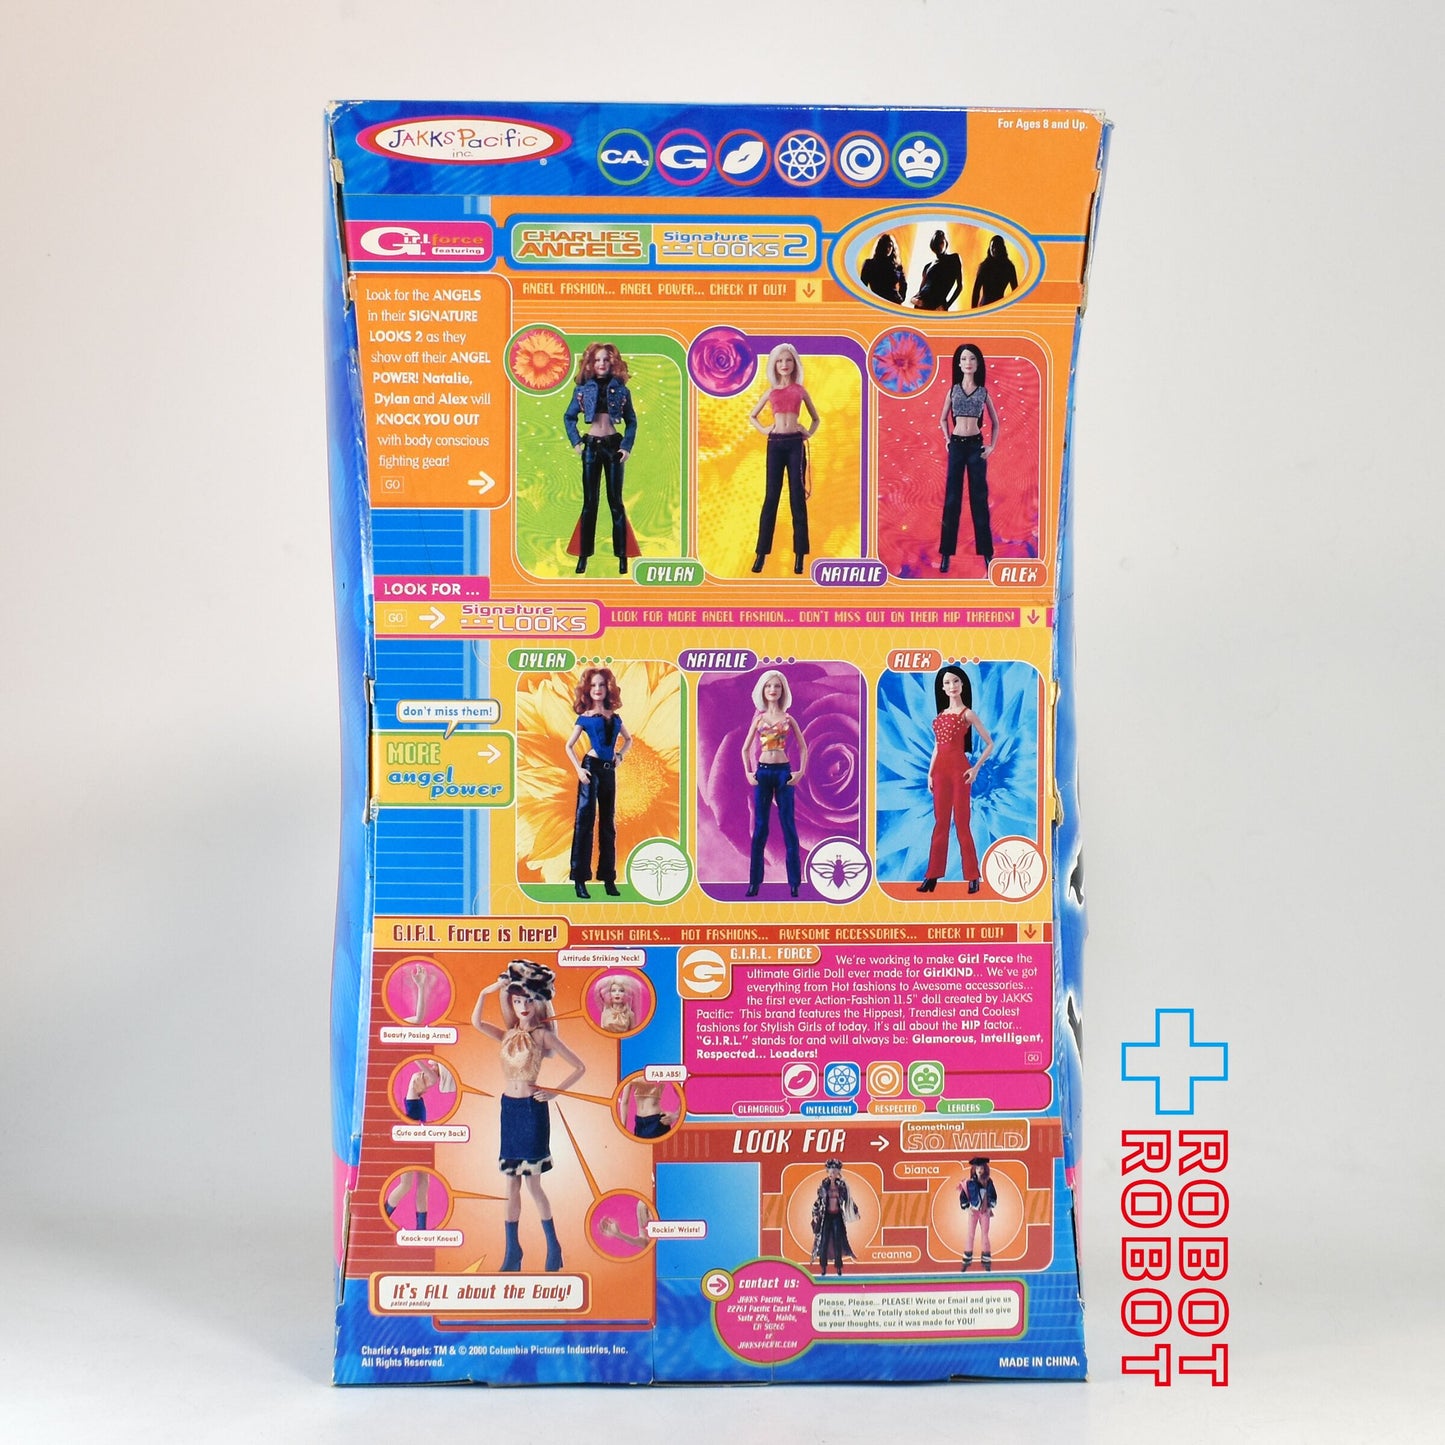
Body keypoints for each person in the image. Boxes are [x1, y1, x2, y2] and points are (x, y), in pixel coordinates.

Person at [472, 960, 586, 1272]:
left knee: (534, 1186)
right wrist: (487, 991)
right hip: (509, 1110)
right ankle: (513, 1252)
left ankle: (554, 1246)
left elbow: (580, 1067)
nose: (523, 1007)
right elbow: (477, 1023)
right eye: (517, 1001)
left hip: (533, 1111)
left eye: (528, 1001)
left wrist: (554, 1092)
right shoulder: (508, 1034)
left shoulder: (542, 1036)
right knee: (510, 1184)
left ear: (539, 1003)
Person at [562, 342, 639, 575]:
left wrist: (626, 446)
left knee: (616, 502)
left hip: (613, 447)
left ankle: (622, 556)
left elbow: (631, 421)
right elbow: (569, 417)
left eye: (606, 359)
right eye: (597, 360)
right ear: (590, 363)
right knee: (590, 503)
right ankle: (583, 556)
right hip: (591, 447)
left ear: (612, 362)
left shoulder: (622, 391)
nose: (602, 363)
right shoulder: (582, 390)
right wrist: (576, 441)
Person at [917, 665, 994, 894]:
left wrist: (976, 768)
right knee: (940, 823)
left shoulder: (967, 714)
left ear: (962, 684)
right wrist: (929, 773)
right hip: (940, 772)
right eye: (947, 683)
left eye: (956, 681)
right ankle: (932, 876)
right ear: (942, 688)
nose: (952, 686)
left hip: (960, 771)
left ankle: (972, 876)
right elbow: (936, 748)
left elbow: (990, 743)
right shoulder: (940, 716)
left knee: (962, 823)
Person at [748, 344, 819, 576]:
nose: (784, 364)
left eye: (788, 360)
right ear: (775, 365)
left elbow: (816, 418)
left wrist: (808, 432)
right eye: (780, 361)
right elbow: (752, 415)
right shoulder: (771, 392)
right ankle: (761, 554)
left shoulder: (800, 390)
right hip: (775, 444)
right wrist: (764, 429)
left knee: (797, 498)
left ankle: (800, 555)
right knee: (771, 498)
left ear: (794, 363)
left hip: (795, 444)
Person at [738, 669, 809, 898]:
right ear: (762, 689)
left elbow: (803, 747)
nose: (772, 690)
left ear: (782, 690)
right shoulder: (759, 719)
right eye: (769, 686)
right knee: (760, 828)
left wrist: (800, 772)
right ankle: (754, 882)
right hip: (763, 773)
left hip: (783, 773)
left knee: (788, 826)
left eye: (777, 686)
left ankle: (794, 883)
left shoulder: (788, 719)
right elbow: (745, 748)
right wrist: (748, 772)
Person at [563, 667, 632, 899]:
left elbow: (628, 739)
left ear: (608, 687)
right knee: (584, 820)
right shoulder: (584, 718)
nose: (597, 689)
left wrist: (620, 755)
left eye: (601, 684)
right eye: (593, 685)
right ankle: (579, 879)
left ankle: (608, 878)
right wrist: (579, 770)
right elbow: (569, 746)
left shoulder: (615, 716)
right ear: (587, 689)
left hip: (608, 771)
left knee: (608, 825)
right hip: (590, 768)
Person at [936, 344, 1002, 576]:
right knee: (952, 499)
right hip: (957, 445)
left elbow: (996, 422)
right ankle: (946, 553)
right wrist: (947, 440)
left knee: (979, 499)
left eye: (972, 359)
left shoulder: (983, 392)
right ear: (958, 363)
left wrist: (991, 446)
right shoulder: (953, 390)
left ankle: (987, 553)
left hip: (975, 446)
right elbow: (942, 418)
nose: (968, 363)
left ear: (978, 363)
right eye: (964, 359)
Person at [809, 1160, 860, 1277]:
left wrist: (854, 1210)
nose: (832, 1174)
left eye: (835, 1172)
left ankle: (838, 1267)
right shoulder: (823, 1185)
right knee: (824, 1241)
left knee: (838, 1241)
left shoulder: (842, 1185)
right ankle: (823, 1267)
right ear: (828, 1172)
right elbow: (818, 1201)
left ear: (838, 1173)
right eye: (831, 1172)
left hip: (837, 1216)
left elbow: (848, 1198)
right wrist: (815, 1214)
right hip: (826, 1216)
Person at [958, 1156, 998, 1272]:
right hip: (973, 1211)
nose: (979, 1170)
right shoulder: (969, 1183)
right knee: (970, 1235)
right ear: (974, 1170)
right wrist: (967, 1208)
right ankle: (966, 1260)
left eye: (981, 1168)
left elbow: (993, 1195)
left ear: (985, 1169)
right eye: (977, 1168)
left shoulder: (988, 1182)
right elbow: (963, 1196)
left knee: (985, 1235)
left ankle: (986, 1261)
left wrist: (990, 1206)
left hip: (984, 1211)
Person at [912, 229, 963, 311]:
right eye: (936, 243)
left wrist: (946, 306)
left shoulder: (954, 259)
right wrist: (914, 300)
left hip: (938, 307)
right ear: (932, 245)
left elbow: (959, 286)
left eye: (941, 242)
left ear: (946, 243)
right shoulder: (928, 266)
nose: (939, 246)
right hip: (921, 307)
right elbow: (921, 290)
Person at [971, 234, 1019, 308]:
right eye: (993, 247)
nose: (995, 249)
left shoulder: (1009, 267)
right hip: (986, 306)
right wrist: (974, 310)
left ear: (1002, 248)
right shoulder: (984, 267)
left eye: (997, 247)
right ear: (989, 248)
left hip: (999, 306)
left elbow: (1015, 292)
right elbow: (976, 291)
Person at [860, 232, 906, 303]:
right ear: (880, 247)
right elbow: (862, 286)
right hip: (877, 301)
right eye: (885, 245)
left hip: (893, 302)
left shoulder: (897, 265)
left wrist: (901, 298)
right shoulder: (870, 264)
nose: (888, 248)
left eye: (890, 246)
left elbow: (903, 283)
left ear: (893, 247)